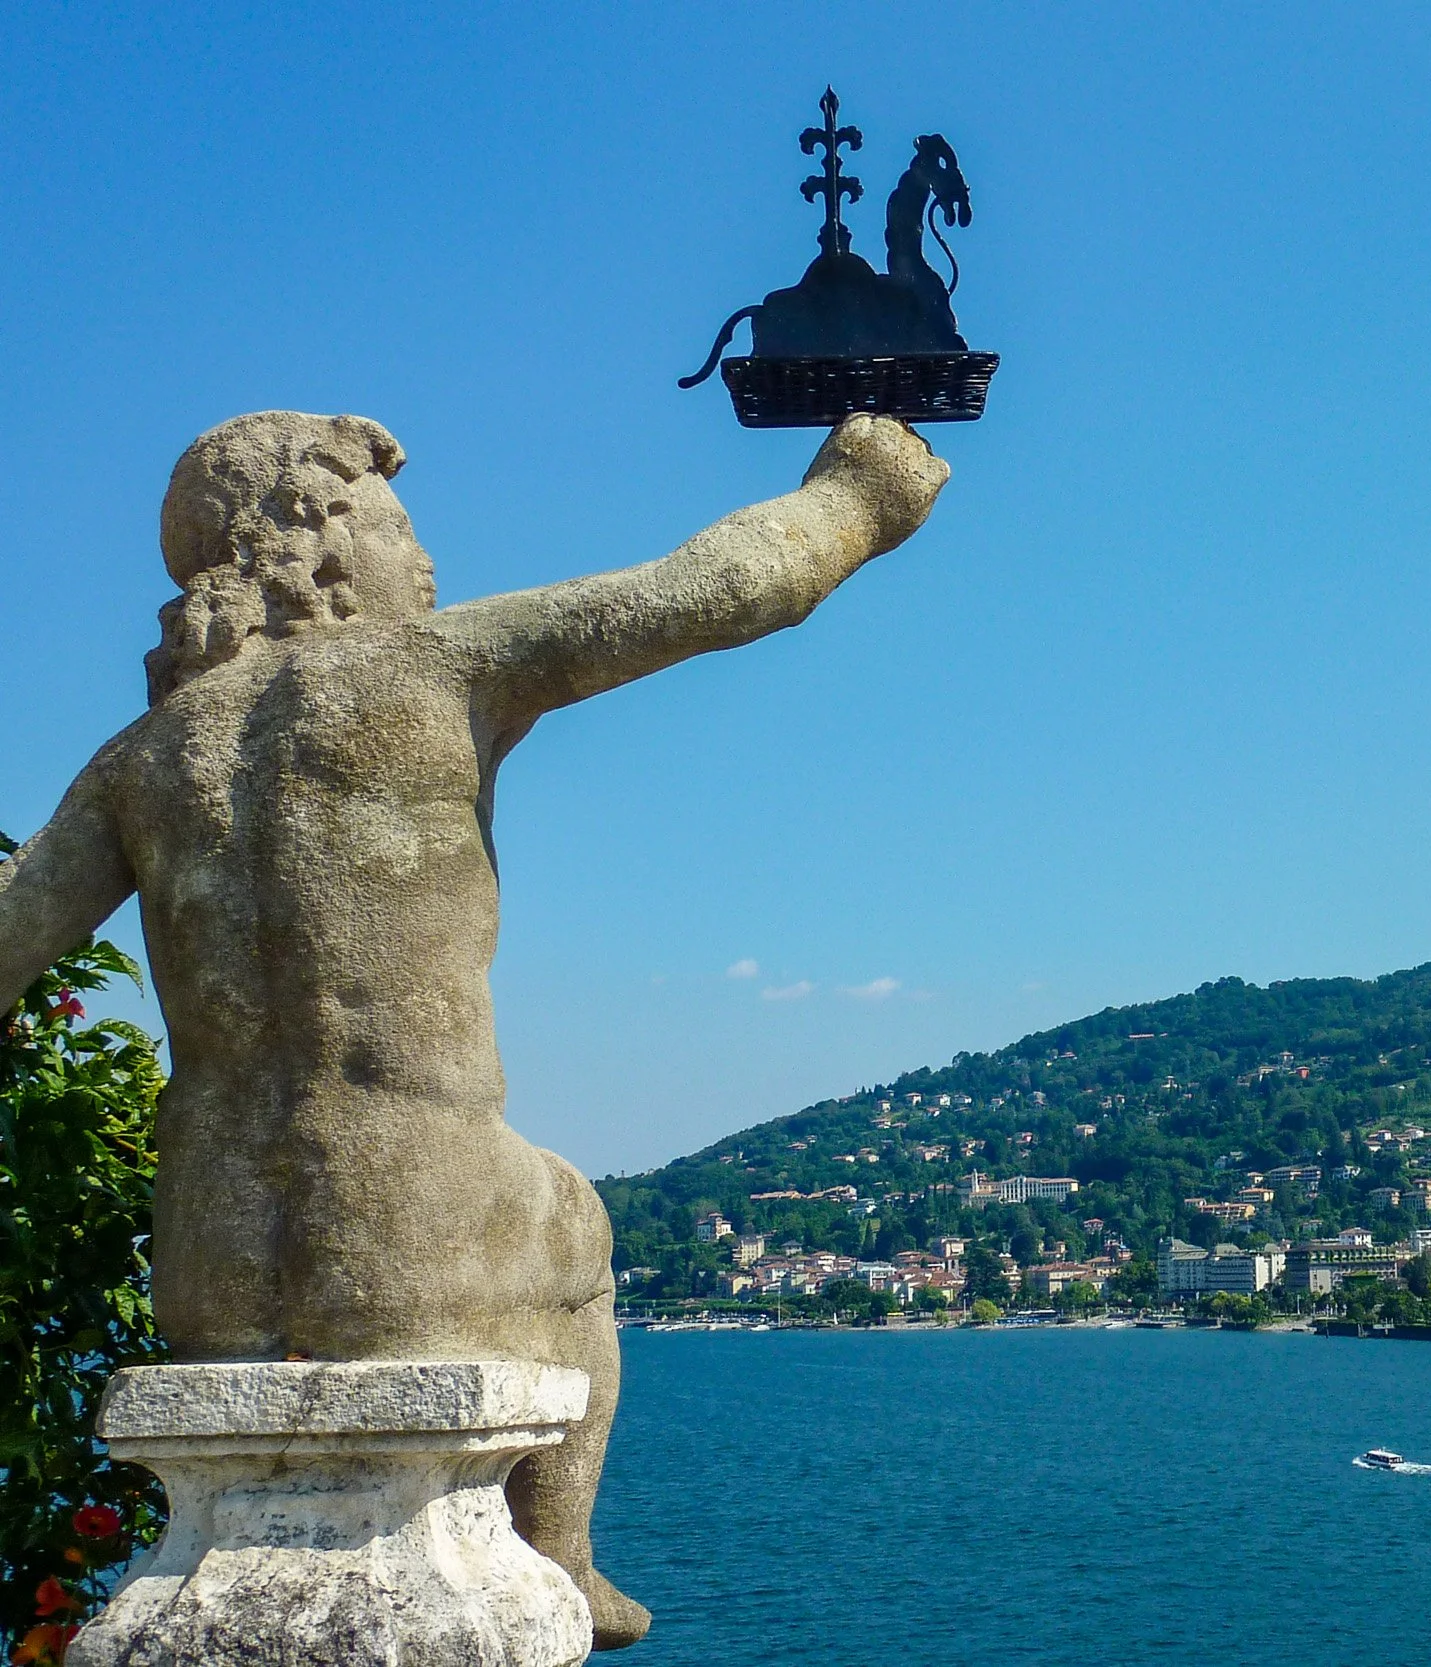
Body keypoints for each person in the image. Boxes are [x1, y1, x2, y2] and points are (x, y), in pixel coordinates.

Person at [0, 409, 949, 1649]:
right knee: (576, 1222)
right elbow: (728, 583)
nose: (428, 562)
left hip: (208, 1261)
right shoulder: (434, 663)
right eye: (401, 524)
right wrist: (862, 494)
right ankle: (563, 1555)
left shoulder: (138, 757)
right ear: (321, 537)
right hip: (413, 1234)